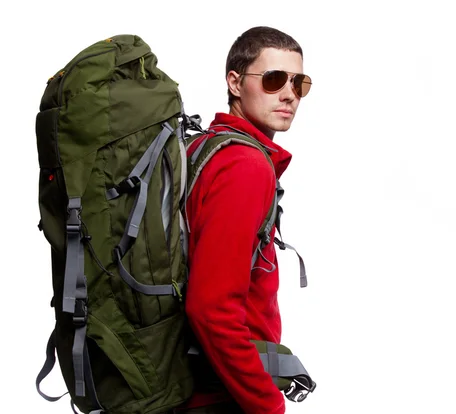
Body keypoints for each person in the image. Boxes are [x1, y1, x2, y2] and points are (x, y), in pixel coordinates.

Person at [176, 26, 312, 414]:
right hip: (220, 396)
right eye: (273, 80)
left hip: (188, 387)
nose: (289, 94)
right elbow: (211, 307)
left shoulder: (203, 148)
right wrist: (267, 405)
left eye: (298, 83)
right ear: (235, 83)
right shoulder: (244, 165)